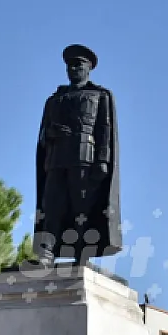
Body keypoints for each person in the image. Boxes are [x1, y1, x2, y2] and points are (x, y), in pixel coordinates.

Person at [33, 44, 123, 266]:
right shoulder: (54, 100)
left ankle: (82, 254)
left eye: (78, 65)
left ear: (88, 68)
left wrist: (103, 160)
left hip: (85, 158)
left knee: (81, 208)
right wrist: (50, 133)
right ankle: (47, 254)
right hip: (55, 160)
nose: (73, 69)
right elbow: (42, 135)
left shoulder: (100, 96)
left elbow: (105, 129)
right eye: (70, 65)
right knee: (52, 206)